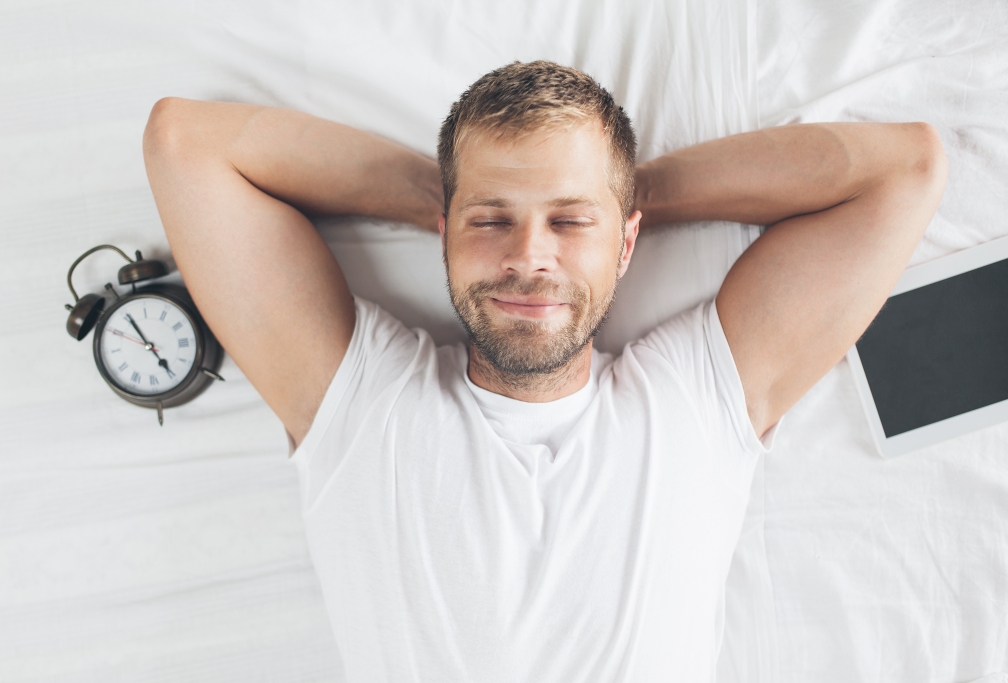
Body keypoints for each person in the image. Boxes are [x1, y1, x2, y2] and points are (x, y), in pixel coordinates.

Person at [142, 60, 945, 681]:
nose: (529, 255)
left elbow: (903, 167)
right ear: (445, 232)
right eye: (491, 220)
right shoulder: (362, 404)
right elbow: (186, 143)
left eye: (569, 221)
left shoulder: (693, 402)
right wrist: (458, 195)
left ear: (627, 243)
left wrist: (623, 195)